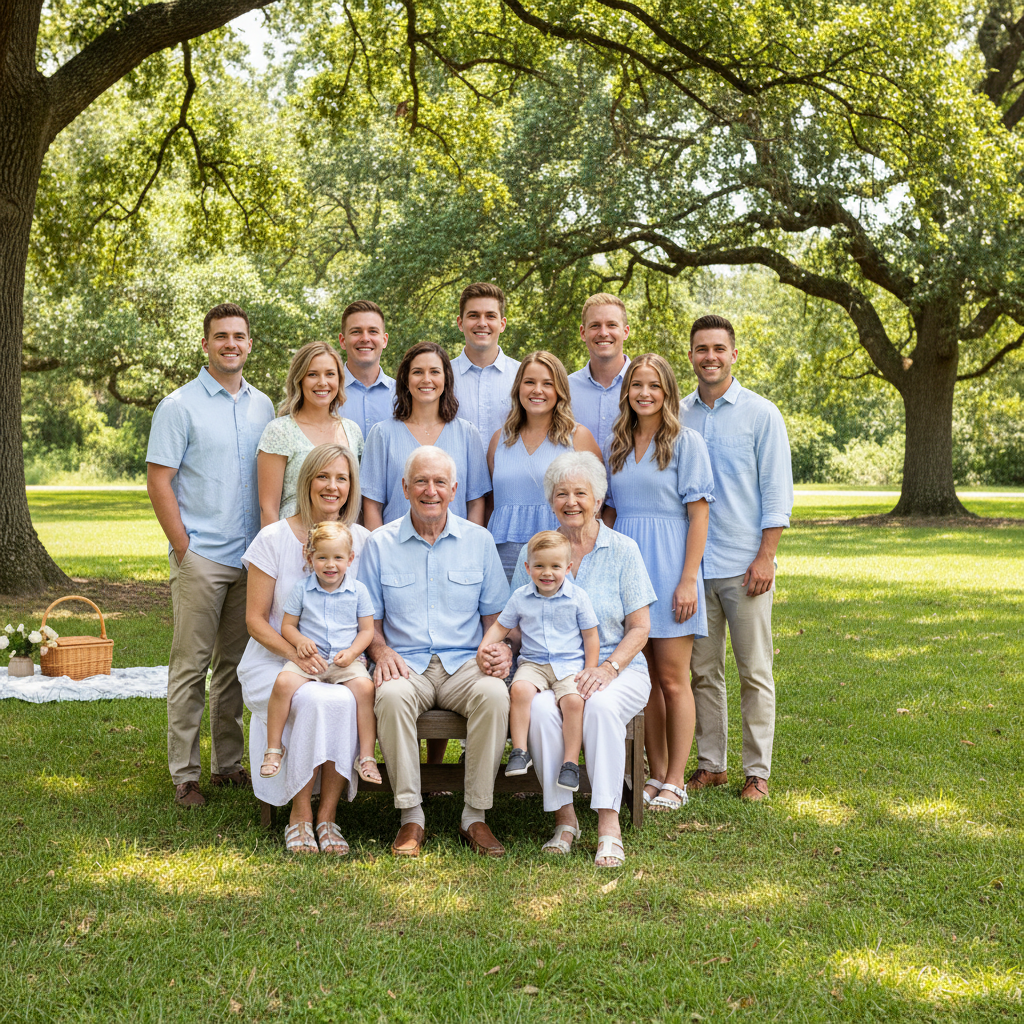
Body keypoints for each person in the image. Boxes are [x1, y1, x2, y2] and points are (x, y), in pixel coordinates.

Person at [483, 451, 655, 867]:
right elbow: (515, 619)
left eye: (582, 493)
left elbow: (640, 627)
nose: (572, 501)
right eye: (562, 493)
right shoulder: (537, 550)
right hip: (548, 669)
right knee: (540, 709)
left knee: (598, 705)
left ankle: (608, 824)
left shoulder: (622, 550)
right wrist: (503, 649)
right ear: (551, 500)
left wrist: (607, 667)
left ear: (598, 499)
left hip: (617, 667)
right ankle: (565, 818)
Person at [146, 302, 275, 808]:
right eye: (221, 336)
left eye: (239, 336)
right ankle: (185, 774)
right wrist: (184, 547)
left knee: (235, 667)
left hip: (250, 562)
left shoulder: (264, 406)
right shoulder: (178, 406)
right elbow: (160, 481)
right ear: (205, 344)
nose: (231, 344)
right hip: (202, 557)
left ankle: (227, 765)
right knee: (190, 666)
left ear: (249, 343)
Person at [358, 446, 511, 858]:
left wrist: (500, 651)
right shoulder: (379, 544)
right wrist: (380, 649)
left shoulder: (478, 542)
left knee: (496, 694)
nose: (431, 490)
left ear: (454, 489)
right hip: (407, 664)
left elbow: (497, 618)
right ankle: (412, 816)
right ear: (405, 488)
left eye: (440, 482)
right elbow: (366, 619)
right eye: (421, 482)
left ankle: (475, 814)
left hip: (465, 662)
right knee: (389, 696)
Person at [681, 314, 793, 802]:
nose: (710, 357)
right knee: (703, 672)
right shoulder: (676, 413)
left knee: (754, 671)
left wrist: (767, 555)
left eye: (719, 348)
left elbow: (776, 491)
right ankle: (712, 765)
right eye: (701, 349)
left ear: (734, 354)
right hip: (693, 568)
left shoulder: (760, 413)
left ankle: (757, 772)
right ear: (690, 355)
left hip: (745, 564)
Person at [238, 443, 370, 854]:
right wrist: (295, 653)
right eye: (323, 477)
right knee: (313, 698)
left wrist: (360, 653)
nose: (333, 486)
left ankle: (328, 816)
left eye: (342, 478)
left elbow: (368, 615)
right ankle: (299, 814)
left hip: (340, 659)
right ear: (306, 481)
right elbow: (256, 620)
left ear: (352, 486)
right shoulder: (272, 538)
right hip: (277, 658)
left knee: (345, 699)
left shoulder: (361, 540)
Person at [603, 354, 713, 811]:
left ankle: (676, 779)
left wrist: (689, 579)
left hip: (670, 568)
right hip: (627, 567)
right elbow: (609, 511)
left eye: (654, 386)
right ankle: (652, 772)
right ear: (627, 391)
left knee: (672, 679)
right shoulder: (619, 444)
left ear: (667, 392)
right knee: (641, 679)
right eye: (636, 385)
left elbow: (699, 514)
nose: (644, 393)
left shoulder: (686, 443)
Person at [260, 522, 378, 787]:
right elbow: (287, 626)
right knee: (282, 683)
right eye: (322, 557)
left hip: (345, 660)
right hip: (311, 660)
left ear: (350, 558)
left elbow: (367, 631)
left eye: (338, 557)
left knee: (365, 689)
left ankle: (367, 756)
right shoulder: (302, 589)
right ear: (309, 557)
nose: (330, 564)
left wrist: (352, 652)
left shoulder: (359, 591)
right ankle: (274, 749)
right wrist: (299, 641)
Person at [479, 530, 599, 792]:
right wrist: (485, 646)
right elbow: (501, 626)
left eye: (555, 566)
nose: (547, 573)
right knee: (519, 689)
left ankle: (570, 763)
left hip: (568, 665)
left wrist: (591, 667)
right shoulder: (521, 596)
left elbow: (591, 636)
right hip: (533, 664)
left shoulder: (578, 598)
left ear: (567, 568)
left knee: (573, 701)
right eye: (539, 566)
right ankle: (520, 751)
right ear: (527, 567)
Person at [486, 350, 602, 580]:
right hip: (502, 558)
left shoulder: (577, 437)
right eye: (529, 382)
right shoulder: (500, 439)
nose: (537, 390)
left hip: (559, 558)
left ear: (559, 391)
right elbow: (490, 503)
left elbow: (597, 503)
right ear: (518, 387)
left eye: (547, 383)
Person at [361, 342, 490, 528]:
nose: (426, 379)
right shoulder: (382, 434)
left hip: (455, 550)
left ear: (446, 379)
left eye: (435, 372)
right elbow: (372, 505)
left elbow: (476, 502)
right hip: (396, 550)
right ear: (406, 379)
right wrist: (380, 550)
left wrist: (470, 548)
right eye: (418, 372)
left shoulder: (468, 434)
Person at [257, 341, 364, 527]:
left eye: (330, 374)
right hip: (291, 542)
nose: (322, 382)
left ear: (339, 379)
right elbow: (268, 509)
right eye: (312, 374)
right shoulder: (280, 431)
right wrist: (274, 553)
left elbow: (354, 500)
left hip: (340, 546)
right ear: (299, 379)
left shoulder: (352, 431)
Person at [452, 282, 521, 446]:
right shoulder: (442, 376)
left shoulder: (523, 375)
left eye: (490, 316)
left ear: (502, 324)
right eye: (473, 315)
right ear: (460, 323)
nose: (482, 323)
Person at [568, 293, 631, 451]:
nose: (603, 333)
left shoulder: (649, 388)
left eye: (611, 325)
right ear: (583, 333)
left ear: (625, 332)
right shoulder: (565, 389)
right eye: (595, 325)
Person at [338, 300, 395, 438]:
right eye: (356, 331)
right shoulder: (325, 393)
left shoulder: (403, 395)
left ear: (384, 340)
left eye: (373, 331)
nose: (365, 338)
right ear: (343, 341)